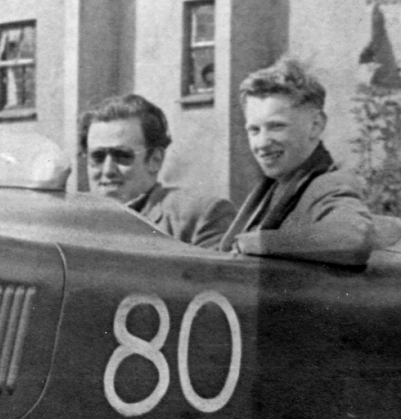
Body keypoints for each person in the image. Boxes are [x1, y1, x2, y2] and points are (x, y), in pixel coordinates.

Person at [218, 58, 375, 266]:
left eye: (276, 127)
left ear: (315, 125)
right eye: (254, 130)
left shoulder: (329, 184)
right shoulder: (277, 185)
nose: (262, 143)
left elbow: (353, 238)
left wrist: (256, 243)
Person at [79, 93, 236, 249]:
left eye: (122, 156)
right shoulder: (72, 220)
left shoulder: (200, 216)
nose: (108, 170)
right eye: (98, 157)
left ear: (155, 160)